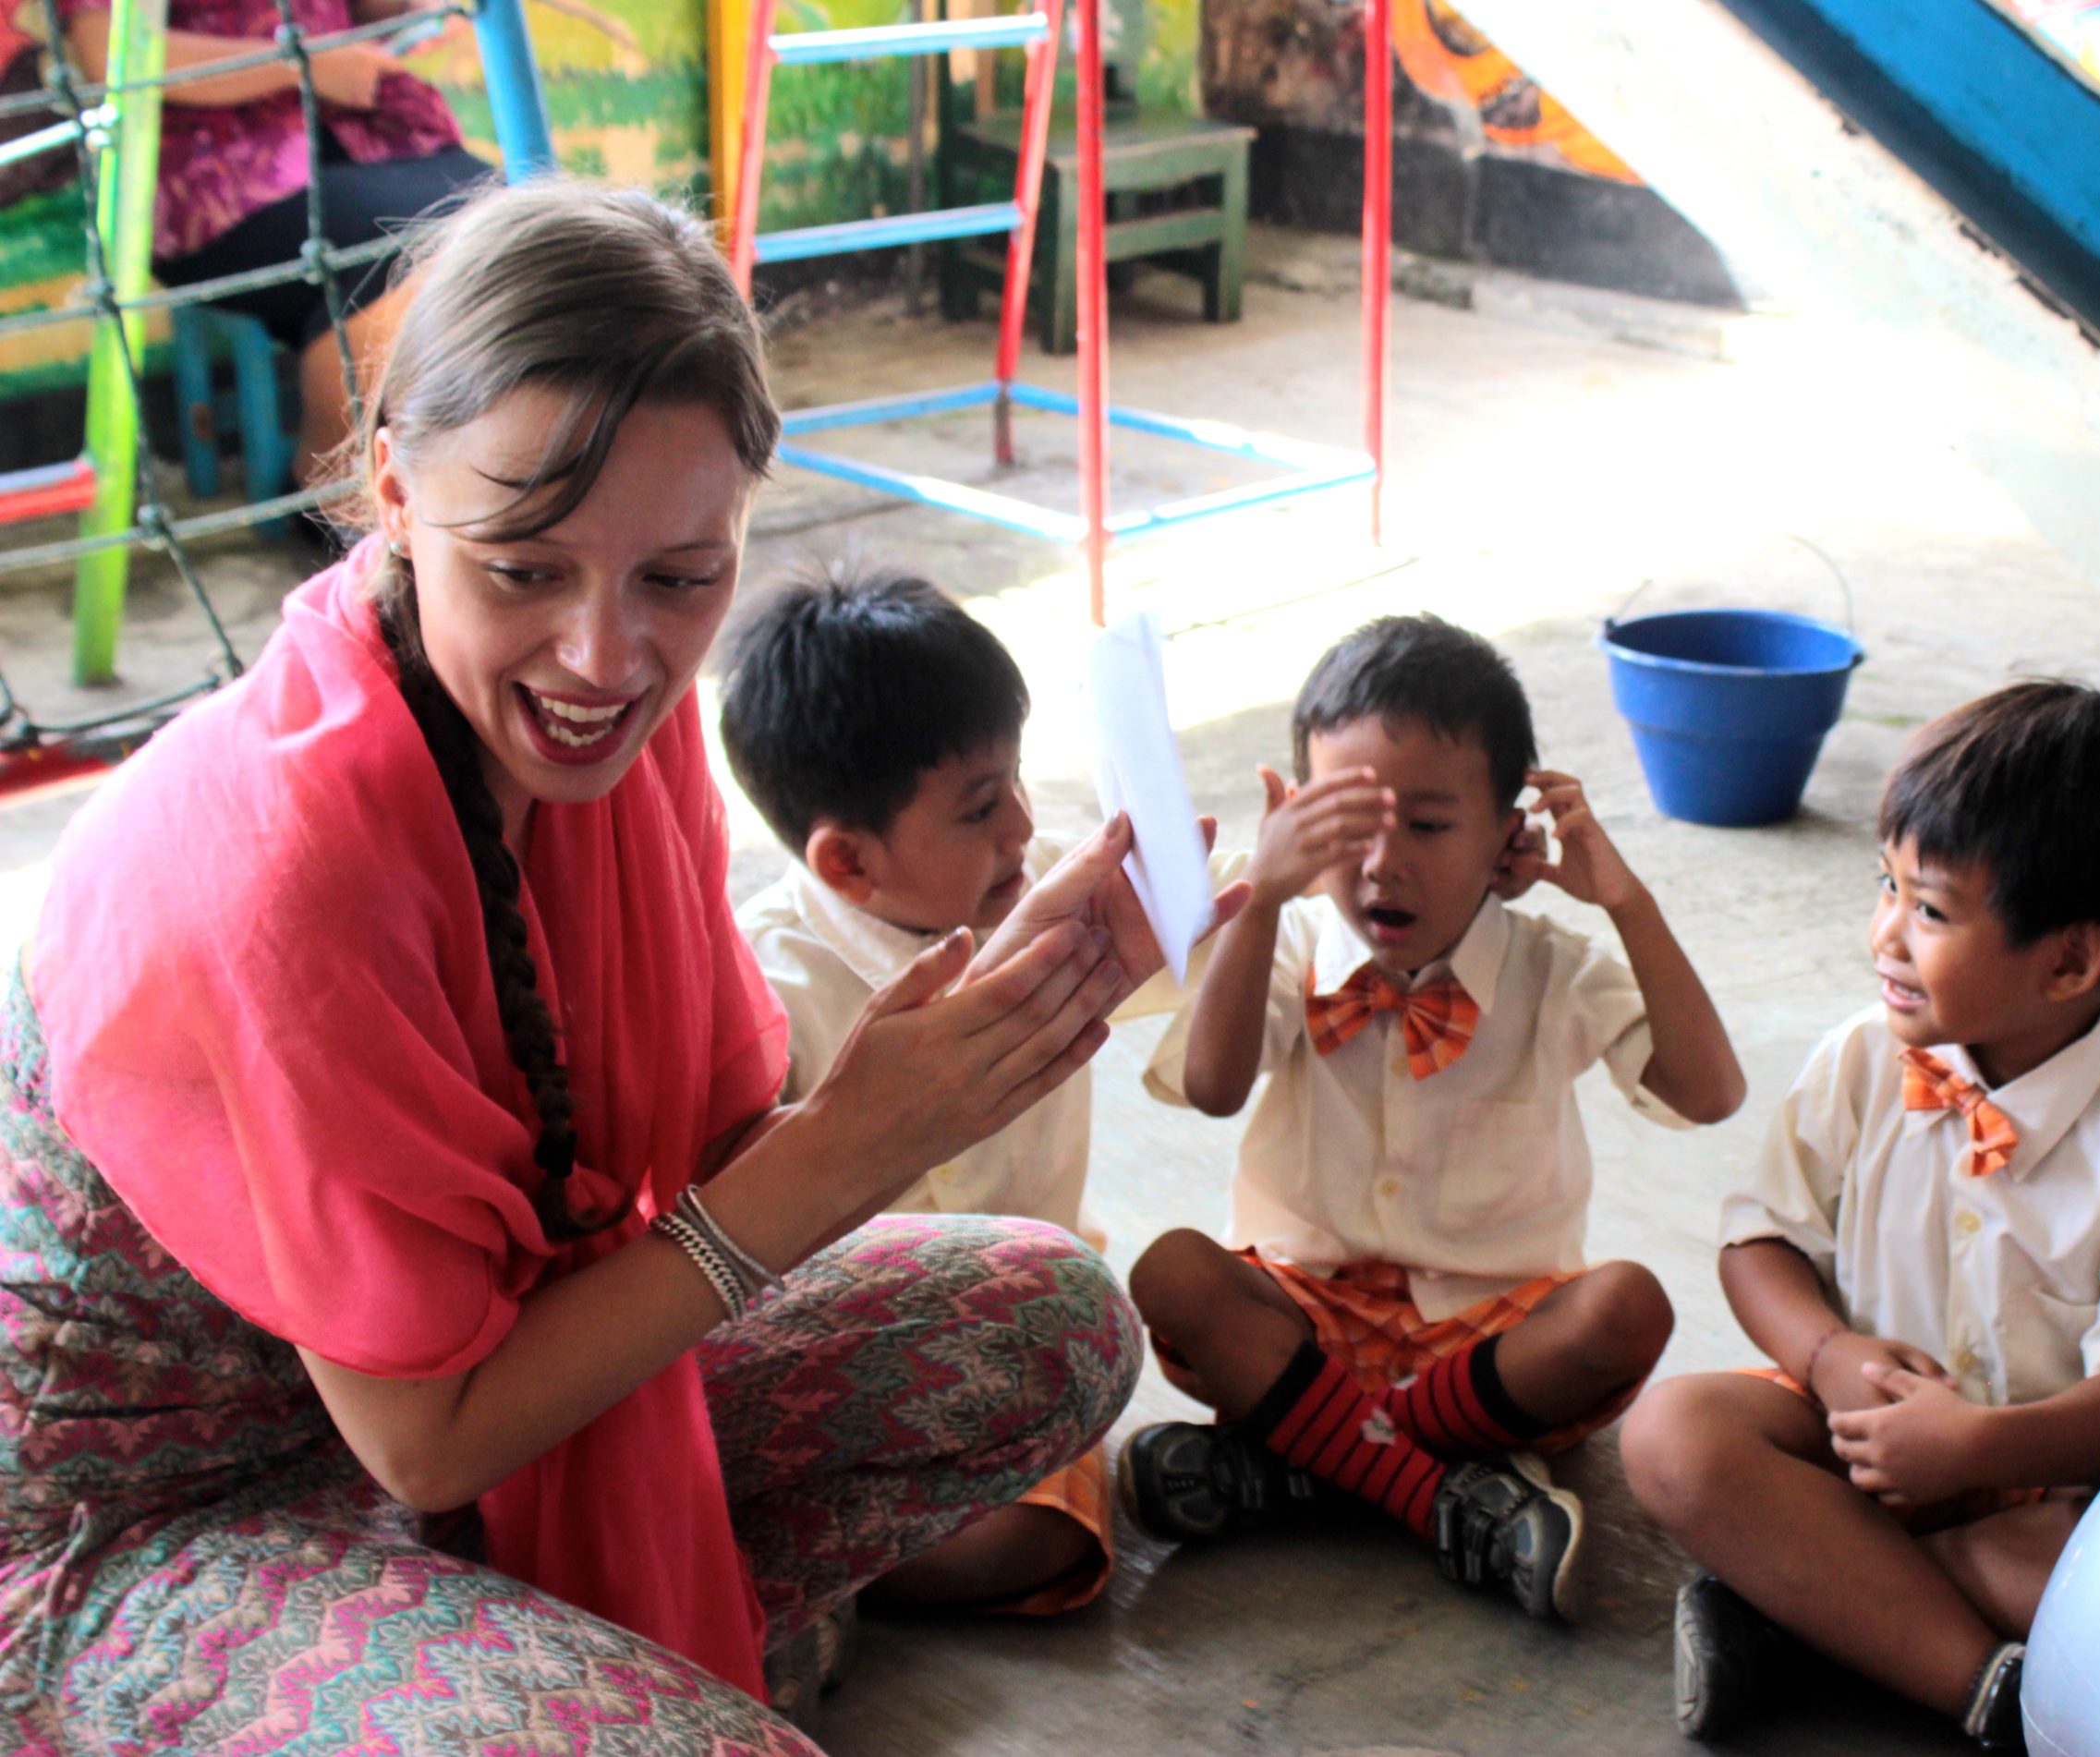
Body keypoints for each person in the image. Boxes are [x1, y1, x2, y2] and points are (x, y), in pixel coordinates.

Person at [0, 178, 1225, 1752]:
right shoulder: (279, 856)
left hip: (483, 1385)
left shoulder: (610, 735)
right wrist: (862, 1136)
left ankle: (528, 1663)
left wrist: (994, 1017)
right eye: (523, 566)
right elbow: (429, 1445)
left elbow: (709, 1158)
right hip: (164, 1521)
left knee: (1050, 1319)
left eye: (677, 575)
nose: (604, 657)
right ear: (389, 489)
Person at [1617, 682, 2100, 1752]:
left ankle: (1837, 1623)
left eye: (1928, 910)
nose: (1884, 932)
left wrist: (1975, 1448)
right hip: (1855, 1441)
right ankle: (1969, 1673)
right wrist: (1826, 1357)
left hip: (2038, 1488)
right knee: (1673, 1435)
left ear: (2069, 960)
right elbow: (1759, 1241)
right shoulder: (1865, 1058)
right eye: (1886, 884)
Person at [1122, 614, 1746, 1623]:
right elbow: (1212, 1086)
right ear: (1290, 814)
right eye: (1344, 823)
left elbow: (1710, 1093)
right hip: (1300, 1316)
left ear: (1509, 833)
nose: (1381, 864)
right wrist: (1265, 899)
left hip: (1488, 1339)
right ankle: (1433, 1494)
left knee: (1625, 1307)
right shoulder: (1279, 946)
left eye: (1426, 824)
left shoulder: (1550, 966)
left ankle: (1307, 1461)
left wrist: (1623, 901)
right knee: (1173, 1274)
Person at [721, 568, 1248, 1618]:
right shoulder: (764, 992)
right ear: (846, 863)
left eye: (1014, 779)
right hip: (843, 1365)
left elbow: (1227, 971)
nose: (1021, 825)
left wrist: (1275, 878)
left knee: (1042, 1541)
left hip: (1023, 1353)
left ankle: (776, 1570)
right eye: (978, 806)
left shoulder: (1057, 892)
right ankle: (767, 1567)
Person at [60, 0, 492, 482]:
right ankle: (333, 491)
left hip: (369, 135)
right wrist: (300, 63)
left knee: (504, 221)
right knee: (406, 248)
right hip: (219, 180)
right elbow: (108, 58)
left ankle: (476, 479)